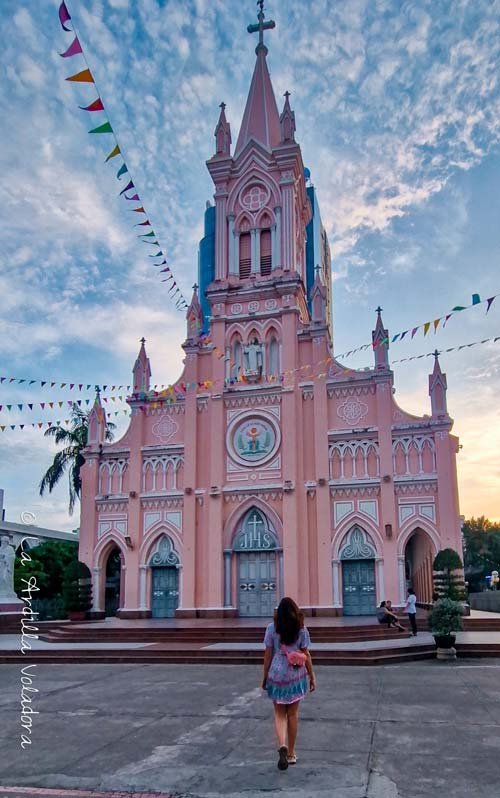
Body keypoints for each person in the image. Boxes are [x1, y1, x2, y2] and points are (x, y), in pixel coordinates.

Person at [262, 597, 315, 770]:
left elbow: (268, 655)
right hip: (295, 673)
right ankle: (291, 753)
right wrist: (312, 676)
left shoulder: (271, 628)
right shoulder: (301, 629)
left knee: (279, 713)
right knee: (292, 713)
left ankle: (282, 745)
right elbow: (306, 654)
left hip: (277, 672)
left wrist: (264, 676)